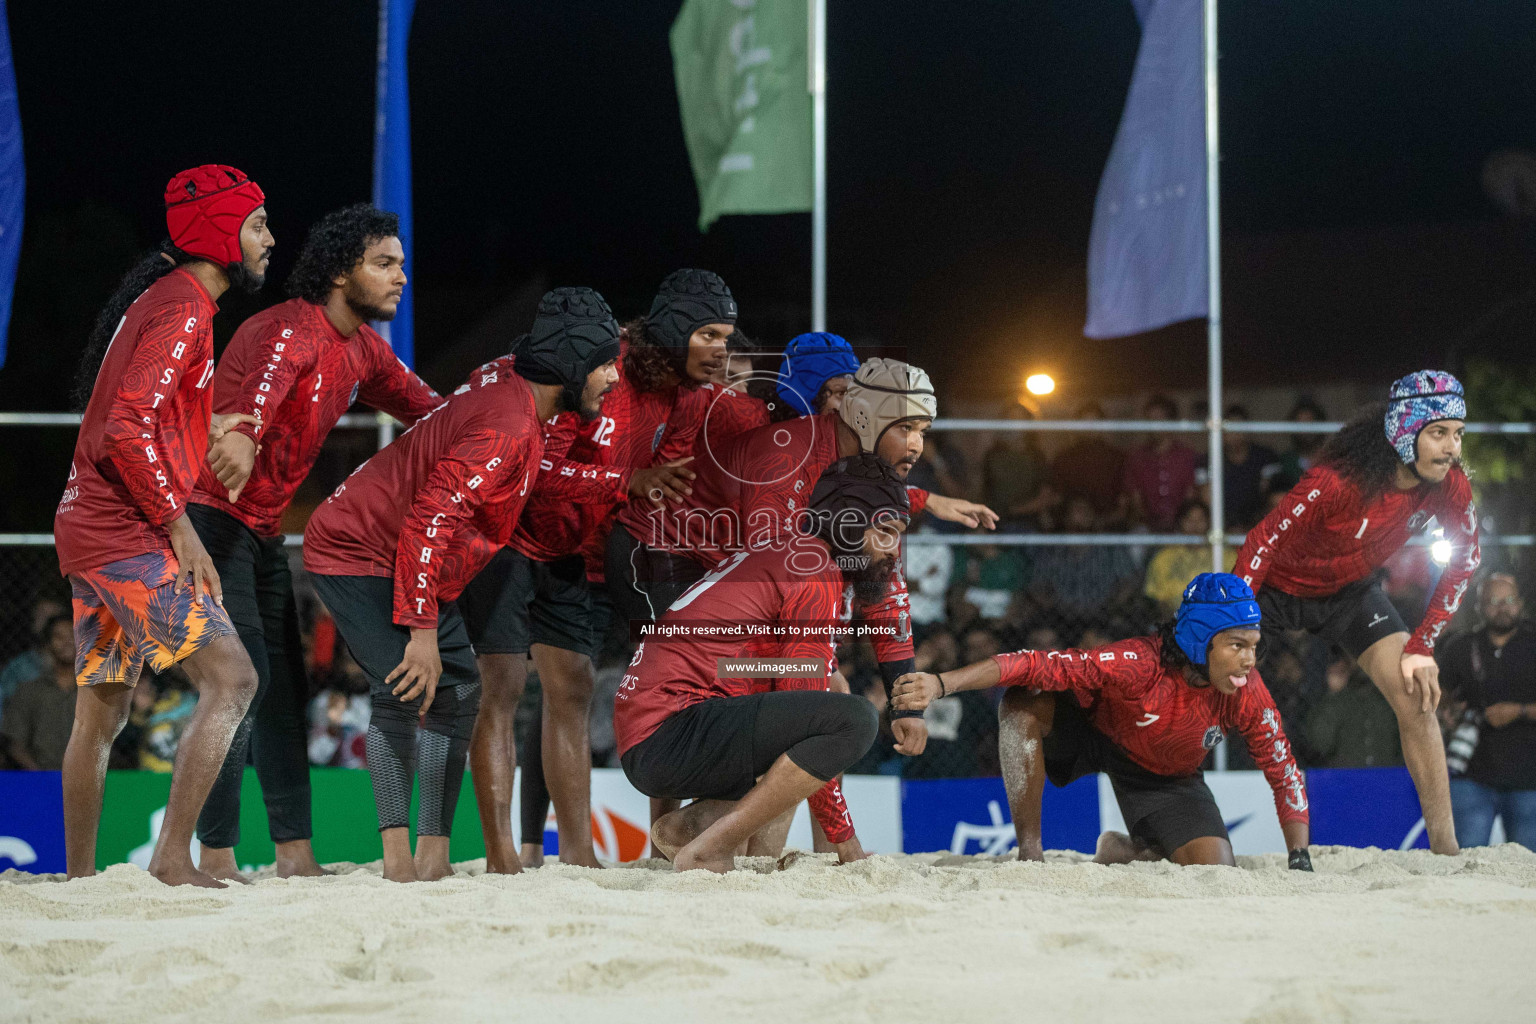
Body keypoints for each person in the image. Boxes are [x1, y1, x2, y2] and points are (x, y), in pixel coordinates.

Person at [302, 287, 620, 882]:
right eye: (606, 363)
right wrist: (422, 630)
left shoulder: (510, 388)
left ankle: (434, 857)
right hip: (356, 550)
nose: (613, 379)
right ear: (572, 365)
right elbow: (429, 519)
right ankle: (399, 866)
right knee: (404, 686)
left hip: (406, 551)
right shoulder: (506, 427)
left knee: (460, 689)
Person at [187, 203, 442, 882]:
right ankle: (212, 853)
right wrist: (239, 435)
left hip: (262, 530)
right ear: (338, 270)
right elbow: (259, 397)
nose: (401, 277)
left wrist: (511, 406)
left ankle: (295, 855)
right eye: (385, 263)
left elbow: (435, 412)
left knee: (282, 688)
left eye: (403, 263)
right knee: (240, 684)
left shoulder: (363, 349)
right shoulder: (288, 332)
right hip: (207, 521)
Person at [56, 165, 270, 887]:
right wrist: (181, 529)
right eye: (258, 223)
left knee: (104, 710)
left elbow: (135, 408)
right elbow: (125, 427)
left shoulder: (169, 299)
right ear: (221, 235)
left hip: (88, 524)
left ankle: (81, 881)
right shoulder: (184, 308)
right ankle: (175, 859)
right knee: (234, 678)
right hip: (125, 532)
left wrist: (207, 420)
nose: (270, 239)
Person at [457, 292, 689, 873]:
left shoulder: (648, 393)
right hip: (501, 542)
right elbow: (541, 471)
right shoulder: (557, 387)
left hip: (563, 552)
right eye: (605, 359)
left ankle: (579, 856)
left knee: (573, 686)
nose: (612, 372)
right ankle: (501, 856)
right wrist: (625, 482)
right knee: (502, 689)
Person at [893, 573, 1313, 869]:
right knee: (1021, 702)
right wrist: (940, 684)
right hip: (1093, 732)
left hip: (1163, 776)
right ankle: (1031, 854)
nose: (1249, 659)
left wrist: (1299, 856)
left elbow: (1284, 770)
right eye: (1236, 645)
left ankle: (1125, 850)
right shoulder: (1136, 663)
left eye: (1253, 645)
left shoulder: (1247, 690)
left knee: (1215, 869)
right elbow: (1033, 663)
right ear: (1200, 641)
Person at [614, 454, 908, 872]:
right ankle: (709, 848)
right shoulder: (814, 570)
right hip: (673, 733)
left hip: (652, 735)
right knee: (855, 719)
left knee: (829, 687)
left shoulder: (785, 552)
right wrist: (847, 842)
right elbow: (807, 714)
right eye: (886, 532)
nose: (893, 550)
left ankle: (698, 829)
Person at [1235, 371, 1480, 854]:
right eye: (1438, 433)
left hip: (1350, 593)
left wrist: (1422, 644)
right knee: (1208, 682)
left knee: (1417, 695)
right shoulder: (1335, 481)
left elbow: (1467, 560)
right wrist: (1237, 618)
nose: (1452, 447)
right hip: (1276, 593)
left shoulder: (1450, 486)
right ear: (1403, 431)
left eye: (1458, 433)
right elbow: (1262, 540)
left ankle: (1447, 854)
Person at [1438, 574, 1536, 849]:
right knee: (1467, 863)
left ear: (1521, 604)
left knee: (1528, 869)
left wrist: (1519, 711)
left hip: (1529, 779)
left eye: (1508, 600)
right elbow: (1439, 697)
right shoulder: (1460, 646)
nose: (1502, 607)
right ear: (1479, 606)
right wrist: (1447, 714)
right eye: (1493, 601)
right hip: (1472, 775)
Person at [0, 614, 79, 769]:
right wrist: (39, 776)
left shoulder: (98, 692)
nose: (67, 642)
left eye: (72, 635)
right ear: (48, 644)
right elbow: (14, 743)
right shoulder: (28, 691)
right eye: (59, 637)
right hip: (37, 780)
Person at [1143, 499, 1234, 615]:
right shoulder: (1164, 558)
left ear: (1209, 523)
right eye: (1189, 520)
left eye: (1200, 520)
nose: (1195, 525)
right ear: (1181, 522)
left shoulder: (1225, 556)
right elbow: (1157, 598)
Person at [1123, 395, 1198, 531]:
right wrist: (1150, 523)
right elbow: (1136, 500)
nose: (1154, 426)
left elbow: (1190, 495)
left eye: (1159, 420)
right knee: (1135, 545)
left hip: (1182, 526)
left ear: (1170, 422)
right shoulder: (1137, 457)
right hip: (1147, 526)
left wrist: (1178, 523)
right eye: (1150, 420)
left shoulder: (1186, 456)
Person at [1219, 405, 1280, 530]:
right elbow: (1208, 498)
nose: (1235, 434)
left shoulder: (1266, 457)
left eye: (1239, 427)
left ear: (1248, 430)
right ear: (1222, 433)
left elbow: (1272, 497)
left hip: (1261, 524)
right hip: (1222, 525)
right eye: (1230, 429)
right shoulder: (1213, 459)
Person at [0, 597, 64, 714]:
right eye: (41, 615)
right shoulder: (20, 666)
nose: (46, 621)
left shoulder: (79, 664)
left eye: (52, 616)